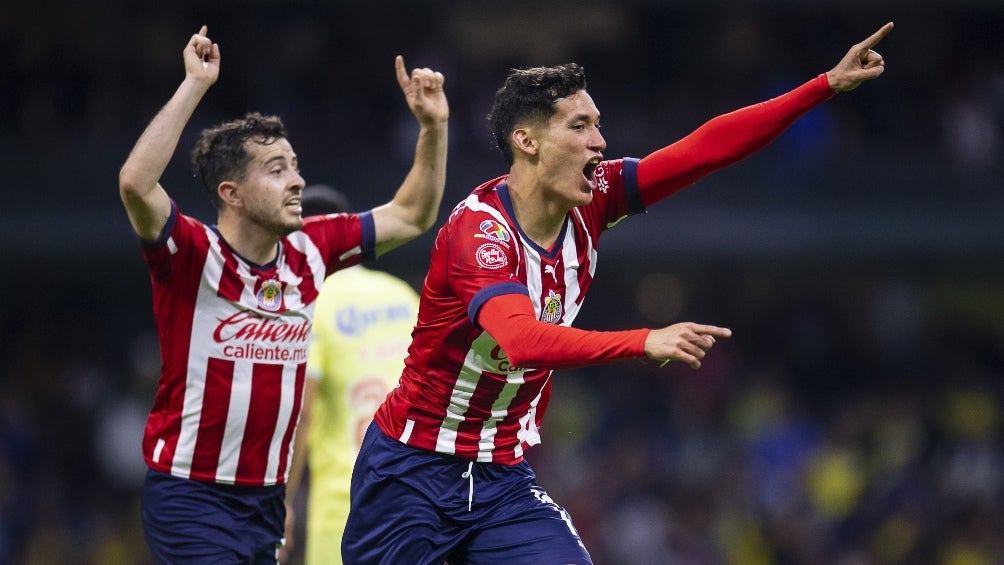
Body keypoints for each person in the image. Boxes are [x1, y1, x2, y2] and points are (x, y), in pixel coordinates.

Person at [341, 22, 894, 564]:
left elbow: (706, 148)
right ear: (527, 141)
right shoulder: (479, 234)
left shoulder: (596, 199)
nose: (600, 143)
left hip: (500, 476)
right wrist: (642, 340)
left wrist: (823, 86)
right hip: (410, 471)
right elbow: (521, 341)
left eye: (598, 126)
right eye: (580, 126)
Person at [117, 26, 448, 563]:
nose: (296, 181)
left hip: (266, 501)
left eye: (294, 167)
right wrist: (194, 85)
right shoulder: (192, 253)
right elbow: (135, 183)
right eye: (277, 171)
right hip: (192, 494)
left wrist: (433, 127)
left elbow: (412, 214)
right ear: (232, 194)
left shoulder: (312, 248)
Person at [280, 185, 421, 565]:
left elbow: (302, 412)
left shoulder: (308, 305)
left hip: (349, 503)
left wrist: (283, 502)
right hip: (421, 496)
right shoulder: (402, 295)